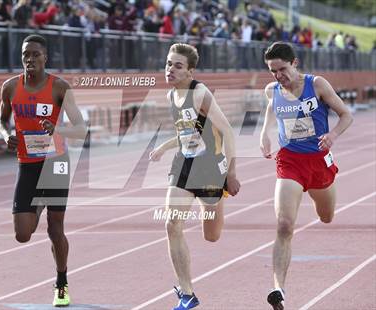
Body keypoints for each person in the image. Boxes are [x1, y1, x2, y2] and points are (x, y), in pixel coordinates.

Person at [259, 42, 353, 310]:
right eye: (273, 71)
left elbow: (346, 115)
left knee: (326, 216)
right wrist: (265, 134)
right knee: (284, 225)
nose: (279, 76)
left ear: (295, 63)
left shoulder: (317, 84)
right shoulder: (272, 90)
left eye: (282, 69)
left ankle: (318, 197)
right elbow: (270, 108)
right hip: (290, 162)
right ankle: (279, 290)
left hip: (319, 162)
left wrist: (333, 135)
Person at [149, 43, 241, 310]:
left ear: (190, 71)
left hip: (211, 167)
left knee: (211, 235)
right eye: (168, 64)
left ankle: (217, 200)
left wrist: (231, 173)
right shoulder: (171, 96)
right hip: (183, 165)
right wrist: (164, 148)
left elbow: (228, 132)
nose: (171, 70)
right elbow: (185, 133)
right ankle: (187, 293)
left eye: (178, 66)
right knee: (171, 225)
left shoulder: (199, 92)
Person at [0, 34, 87, 307]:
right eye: (25, 54)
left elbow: (81, 129)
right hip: (27, 164)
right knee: (22, 234)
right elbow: (2, 120)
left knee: (55, 228)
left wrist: (57, 129)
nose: (29, 59)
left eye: (35, 54)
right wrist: (5, 136)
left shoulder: (59, 87)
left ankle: (61, 282)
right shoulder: (10, 87)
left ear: (45, 57)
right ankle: (37, 204)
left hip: (56, 162)